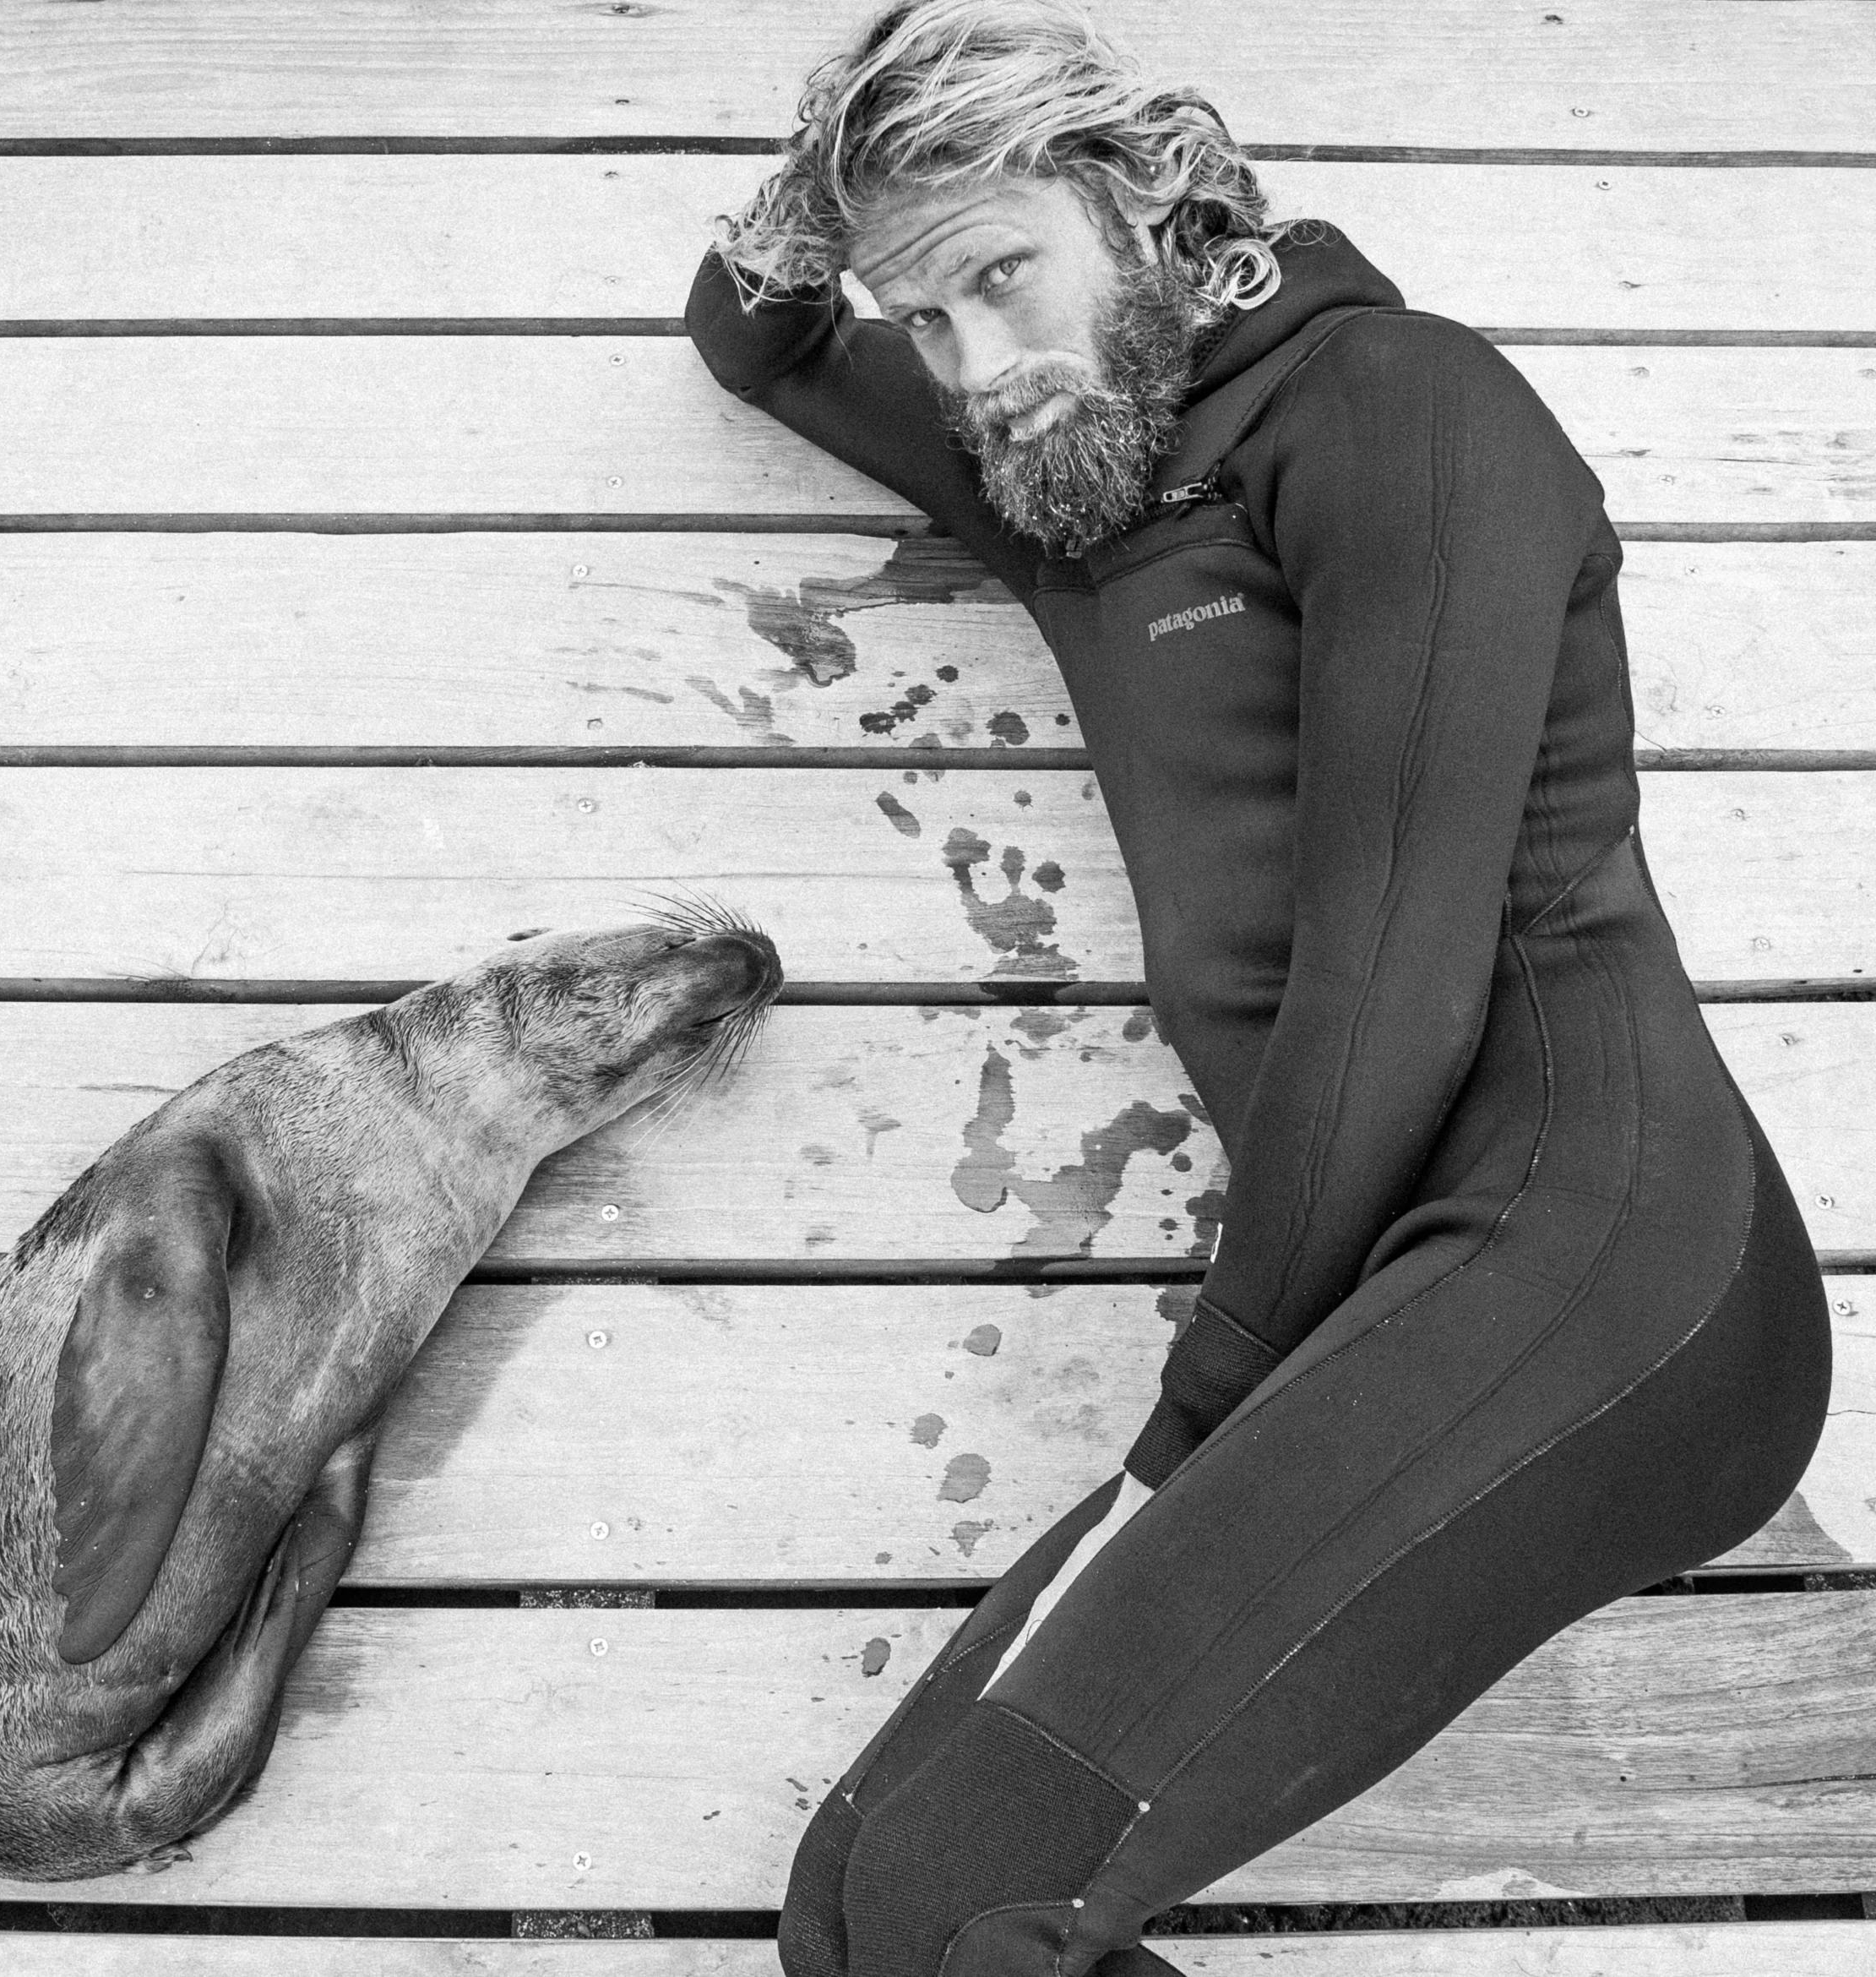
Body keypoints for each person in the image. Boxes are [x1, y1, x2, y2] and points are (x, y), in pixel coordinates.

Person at [683, 5, 1834, 1975]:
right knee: (853, 1922)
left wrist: (1203, 1406)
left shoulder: (1394, 406)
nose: (974, 362)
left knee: (962, 1905)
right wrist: (834, 184)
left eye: (999, 274)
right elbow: (755, 336)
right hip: (1375, 1290)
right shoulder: (1068, 478)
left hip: (1605, 1264)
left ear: (1142, 205)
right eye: (924, 316)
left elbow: (1393, 976)